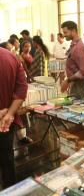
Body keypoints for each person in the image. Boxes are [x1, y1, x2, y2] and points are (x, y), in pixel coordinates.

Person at [0, 47, 28, 188]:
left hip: (4, 120)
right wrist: (10, 113)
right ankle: (10, 189)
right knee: (7, 159)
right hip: (5, 123)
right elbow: (22, 89)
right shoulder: (11, 57)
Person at [61, 21, 84, 99]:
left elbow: (83, 71)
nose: (64, 35)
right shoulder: (74, 44)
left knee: (76, 107)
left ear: (73, 31)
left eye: (65, 32)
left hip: (79, 83)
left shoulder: (78, 47)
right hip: (75, 82)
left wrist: (67, 80)